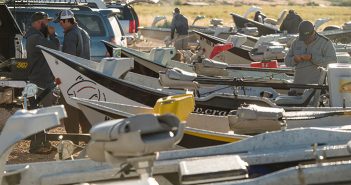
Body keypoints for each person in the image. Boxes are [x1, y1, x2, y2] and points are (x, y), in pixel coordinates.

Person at [24, 12, 60, 154]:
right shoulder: (35, 38)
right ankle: (36, 146)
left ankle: (44, 142)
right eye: (46, 22)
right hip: (40, 81)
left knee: (44, 113)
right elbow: (55, 48)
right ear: (40, 23)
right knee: (42, 114)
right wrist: (53, 35)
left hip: (41, 80)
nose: (49, 25)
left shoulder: (36, 37)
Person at [55, 9, 91, 143]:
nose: (60, 25)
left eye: (61, 22)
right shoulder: (84, 32)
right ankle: (89, 139)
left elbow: (68, 60)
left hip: (71, 80)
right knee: (84, 110)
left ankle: (72, 141)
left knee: (70, 112)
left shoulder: (70, 35)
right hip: (83, 78)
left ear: (66, 20)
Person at [285, 20, 337, 95]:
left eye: (308, 37)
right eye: (303, 38)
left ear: (313, 32)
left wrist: (312, 58)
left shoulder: (325, 43)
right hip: (297, 88)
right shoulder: (296, 42)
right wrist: (294, 60)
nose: (305, 40)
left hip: (315, 90)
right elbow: (287, 61)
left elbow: (333, 62)